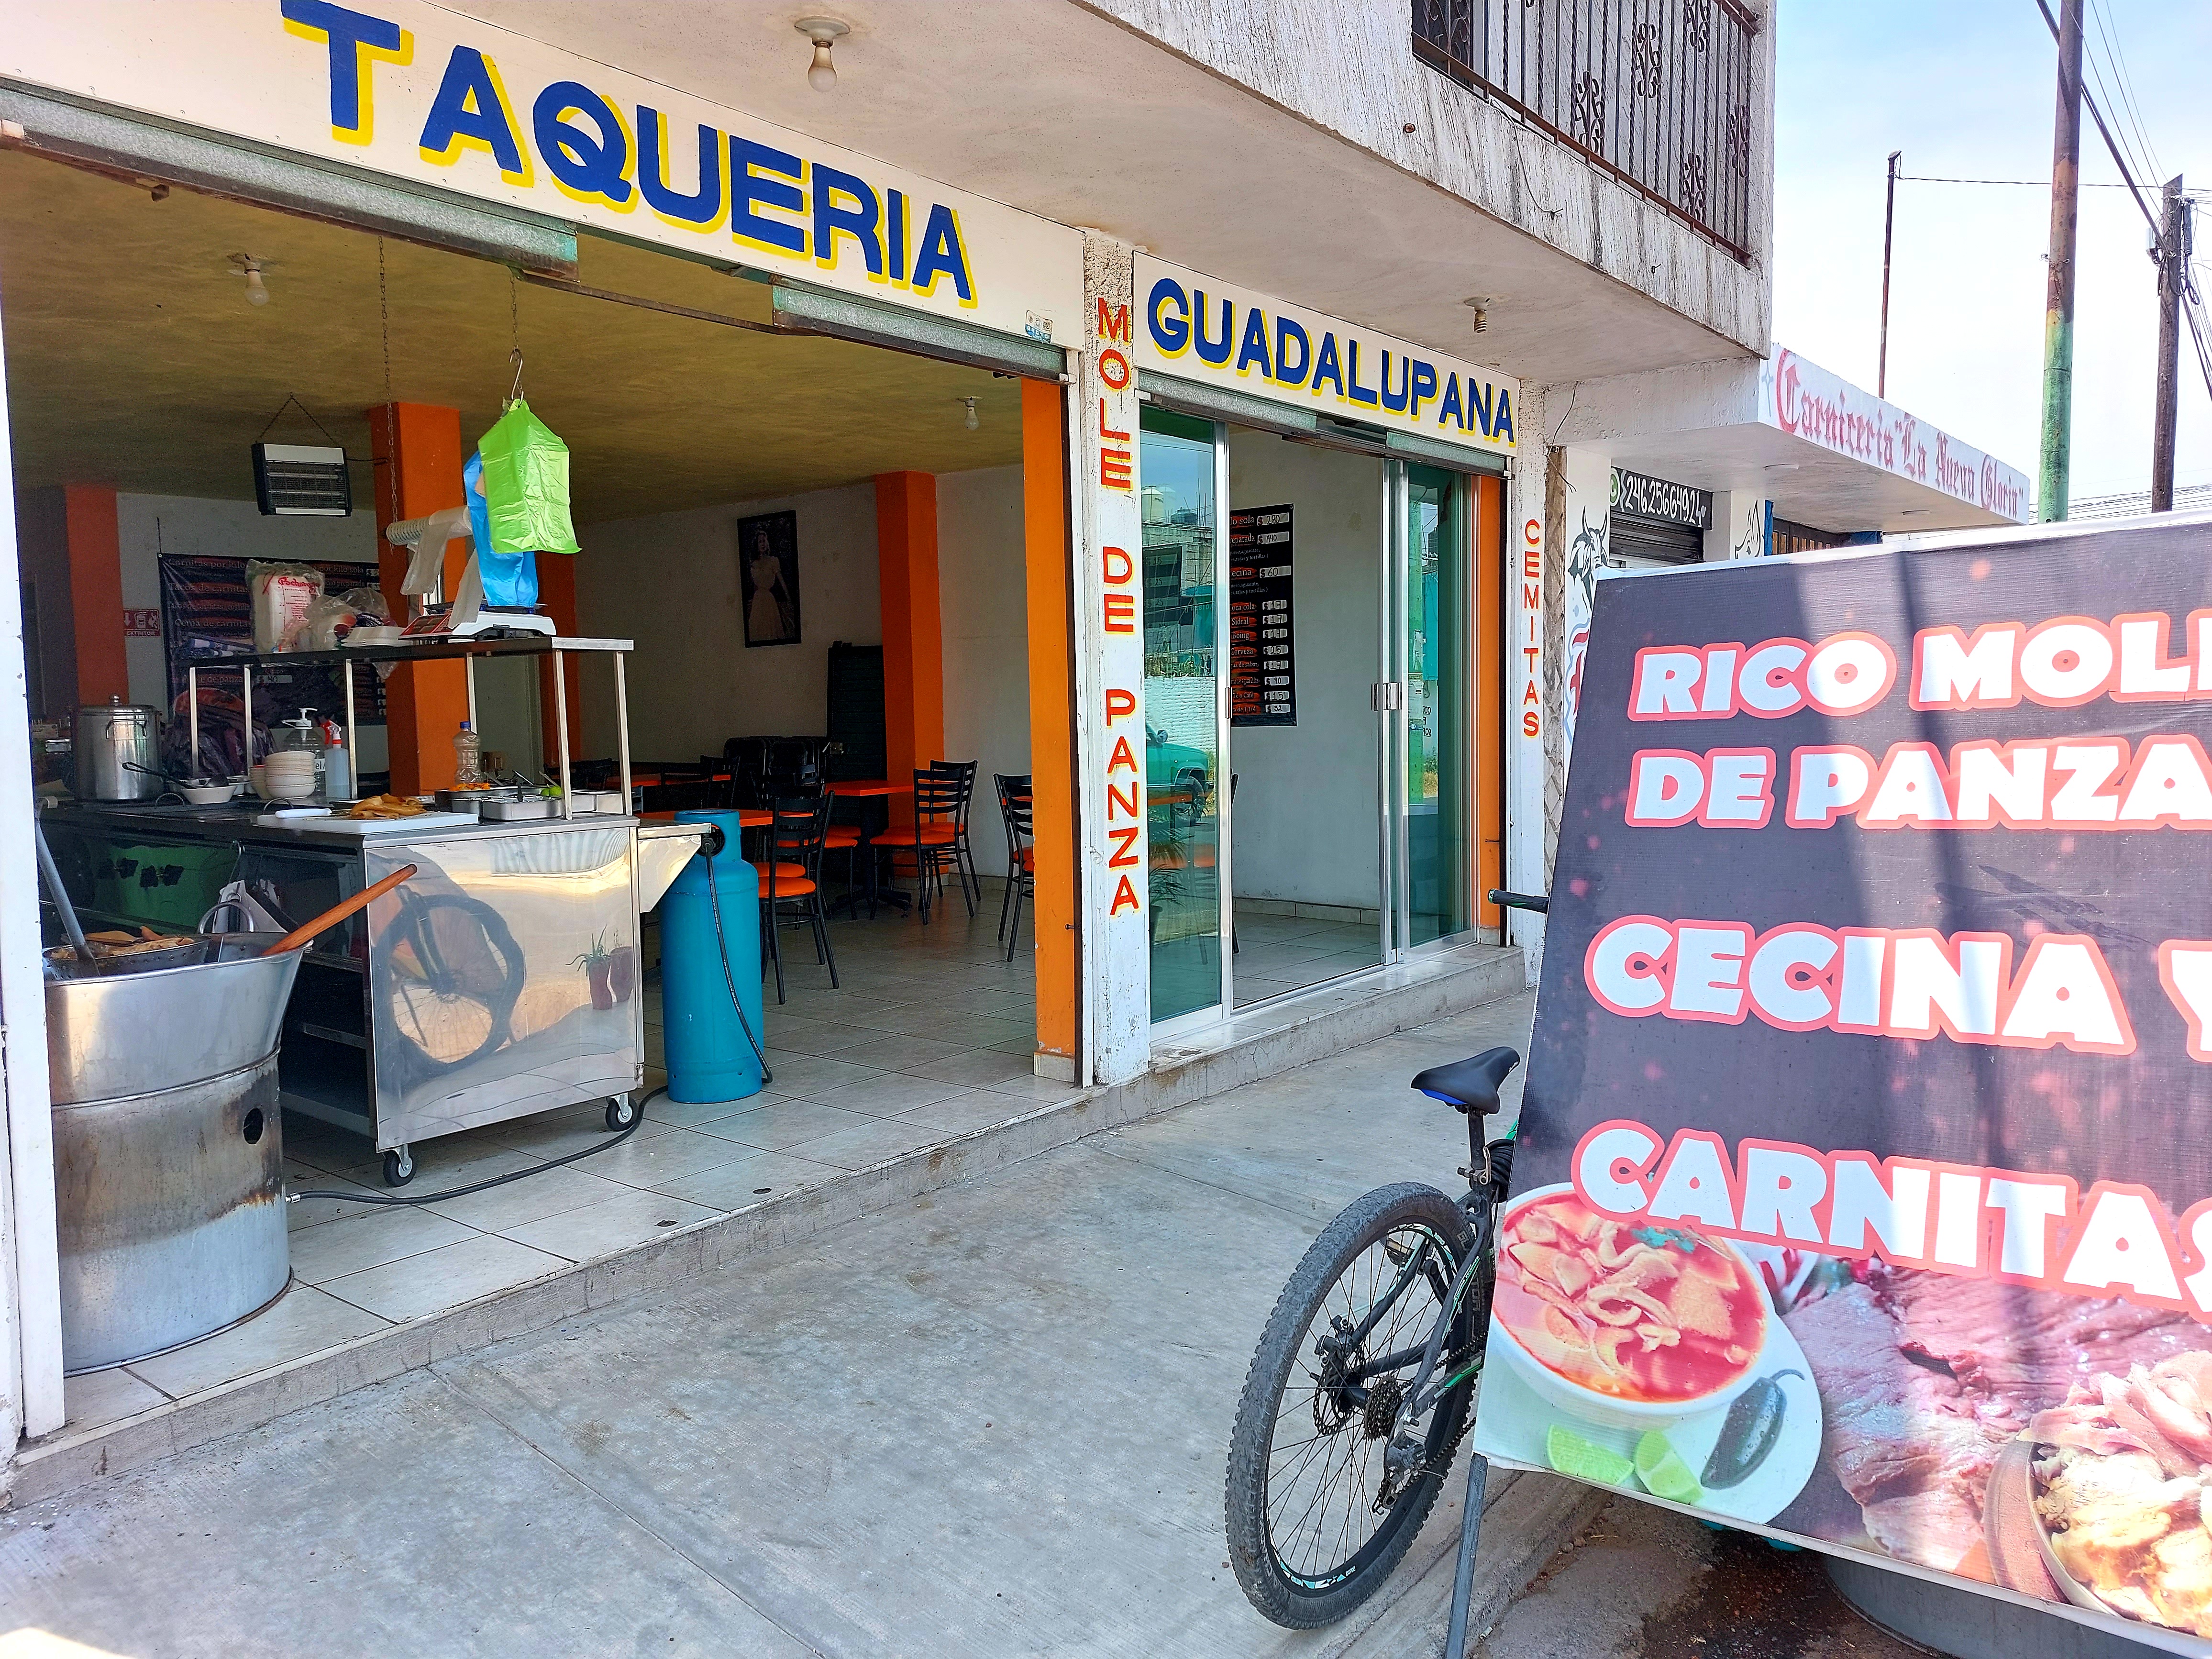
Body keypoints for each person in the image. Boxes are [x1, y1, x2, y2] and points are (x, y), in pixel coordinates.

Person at [747, 527, 792, 642]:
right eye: (760, 542)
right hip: (758, 600)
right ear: (757, 544)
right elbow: (754, 585)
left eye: (764, 541)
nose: (763, 544)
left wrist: (789, 598)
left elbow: (781, 581)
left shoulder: (773, 561)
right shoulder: (754, 564)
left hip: (768, 599)